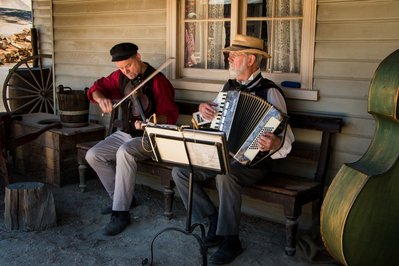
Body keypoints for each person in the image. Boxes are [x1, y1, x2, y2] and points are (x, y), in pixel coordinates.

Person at [171, 34, 295, 265]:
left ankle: (230, 240)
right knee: (180, 172)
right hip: (223, 155)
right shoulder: (229, 87)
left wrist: (275, 144)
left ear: (251, 60)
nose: (229, 58)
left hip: (254, 163)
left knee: (226, 176)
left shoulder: (270, 92)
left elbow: (286, 141)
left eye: (234, 55)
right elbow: (208, 118)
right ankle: (213, 221)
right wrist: (203, 109)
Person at [86, 42, 179, 236]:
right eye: (120, 68)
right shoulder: (119, 77)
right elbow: (96, 87)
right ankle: (121, 199)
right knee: (93, 155)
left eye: (128, 65)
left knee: (125, 152)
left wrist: (151, 121)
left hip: (152, 137)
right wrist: (100, 97)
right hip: (127, 134)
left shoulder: (157, 81)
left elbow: (170, 116)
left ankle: (120, 212)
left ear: (138, 57)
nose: (125, 71)